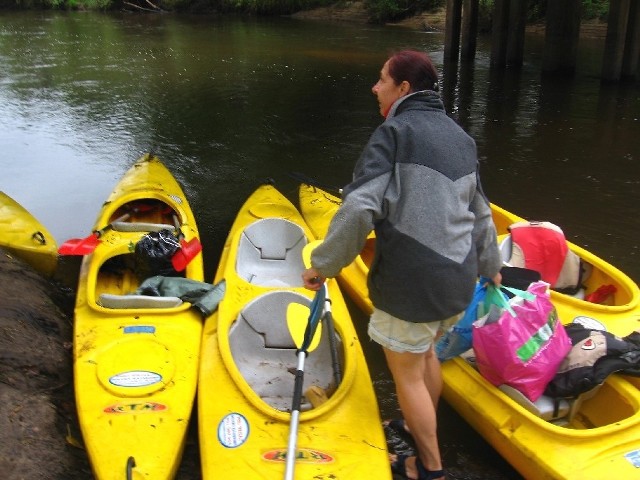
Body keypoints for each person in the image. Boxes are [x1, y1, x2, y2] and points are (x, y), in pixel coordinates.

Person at [302, 49, 502, 480]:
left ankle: (426, 467)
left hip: (413, 284)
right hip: (458, 282)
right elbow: (482, 211)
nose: (375, 88)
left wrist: (324, 264)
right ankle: (415, 425)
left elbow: (358, 209)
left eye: (381, 80)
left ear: (403, 89)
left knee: (407, 374)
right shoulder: (459, 137)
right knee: (425, 354)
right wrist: (492, 264)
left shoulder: (393, 134)